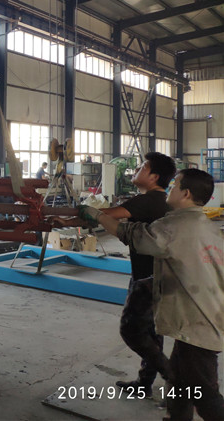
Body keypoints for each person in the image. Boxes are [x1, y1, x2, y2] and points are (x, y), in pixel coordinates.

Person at [81, 169, 224, 421]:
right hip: (204, 316)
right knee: (179, 384)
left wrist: (97, 215)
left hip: (198, 326)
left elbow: (132, 235)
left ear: (186, 193)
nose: (170, 188)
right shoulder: (209, 227)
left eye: (175, 185)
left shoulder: (174, 226)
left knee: (206, 397)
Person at [52, 151, 177, 398]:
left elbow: (106, 215)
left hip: (148, 278)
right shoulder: (158, 201)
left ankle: (173, 376)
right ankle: (145, 383)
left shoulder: (148, 200)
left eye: (143, 167)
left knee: (132, 330)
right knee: (151, 331)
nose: (136, 170)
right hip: (158, 274)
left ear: (154, 177)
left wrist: (66, 221)